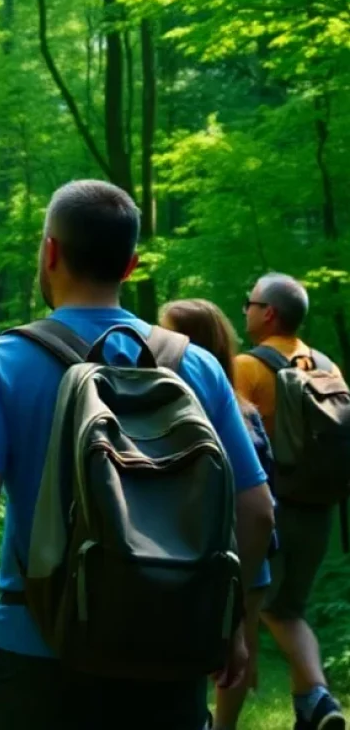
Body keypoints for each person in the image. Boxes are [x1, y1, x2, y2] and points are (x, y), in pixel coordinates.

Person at [0, 180, 275, 730]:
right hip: (169, 647)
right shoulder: (197, 367)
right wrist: (230, 624)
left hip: (37, 647)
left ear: (50, 253)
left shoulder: (0, 360)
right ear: (132, 265)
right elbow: (257, 510)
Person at [235, 274, 345, 730]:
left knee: (268, 609)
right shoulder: (326, 365)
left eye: (250, 302)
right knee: (289, 608)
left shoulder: (246, 366)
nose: (245, 310)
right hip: (321, 507)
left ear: (269, 313)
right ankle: (308, 711)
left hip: (274, 509)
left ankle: (318, 695)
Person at [161, 298, 275, 730]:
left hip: (212, 549)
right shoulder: (244, 411)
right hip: (251, 551)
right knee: (238, 647)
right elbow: (266, 493)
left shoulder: (184, 407)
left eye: (167, 332)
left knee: (218, 649)